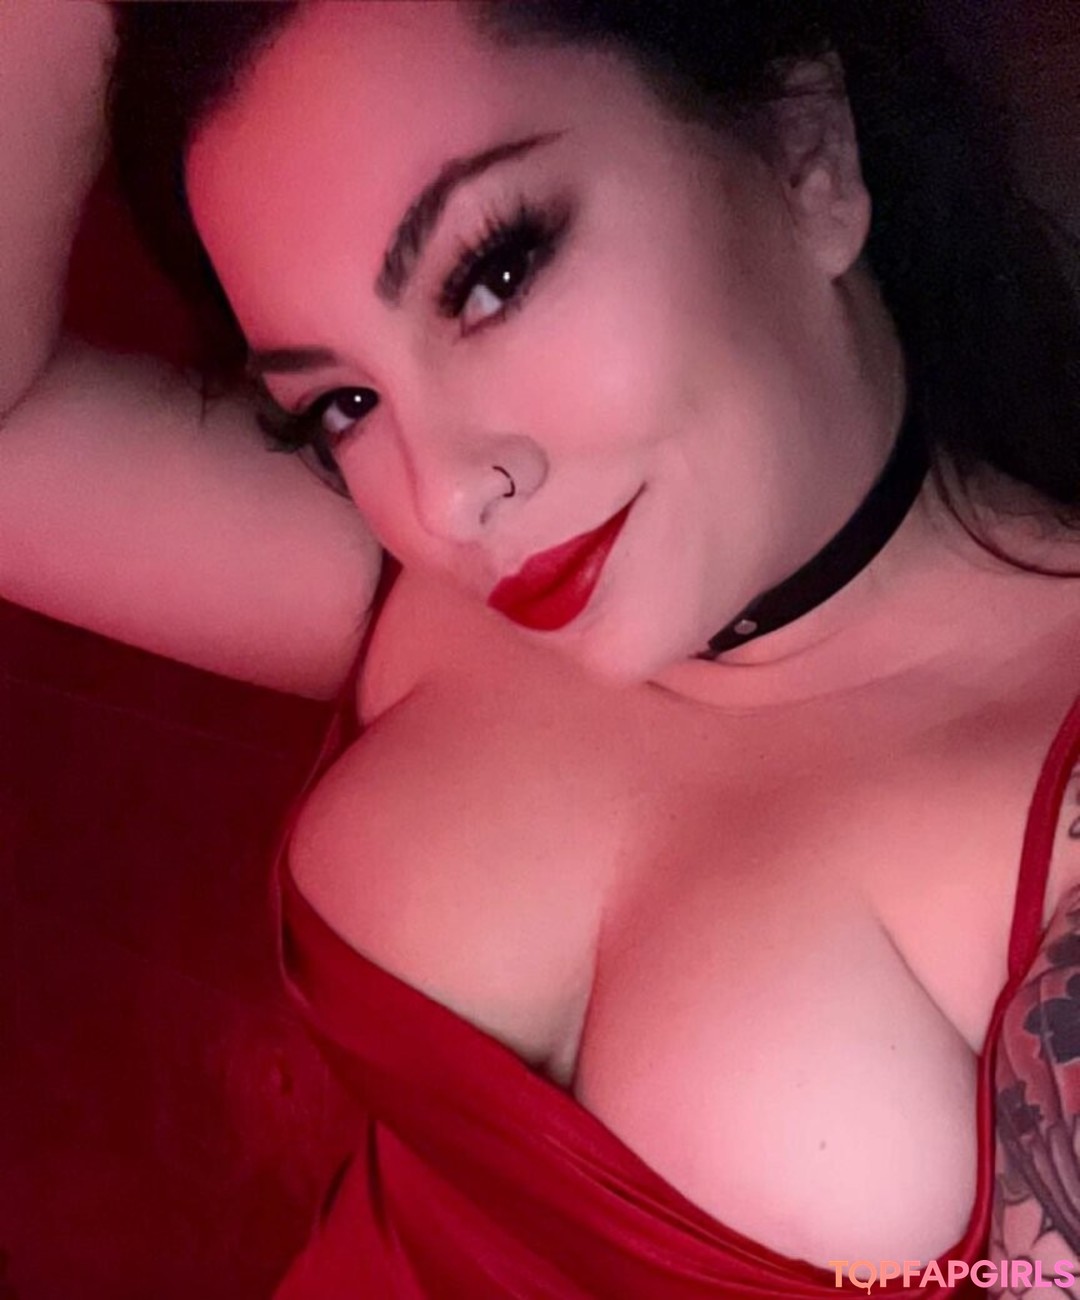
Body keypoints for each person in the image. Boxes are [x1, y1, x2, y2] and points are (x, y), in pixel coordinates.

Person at [5, 1, 1080, 1293]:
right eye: (342, 402)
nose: (445, 495)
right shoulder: (439, 581)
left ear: (806, 150)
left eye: (493, 276)